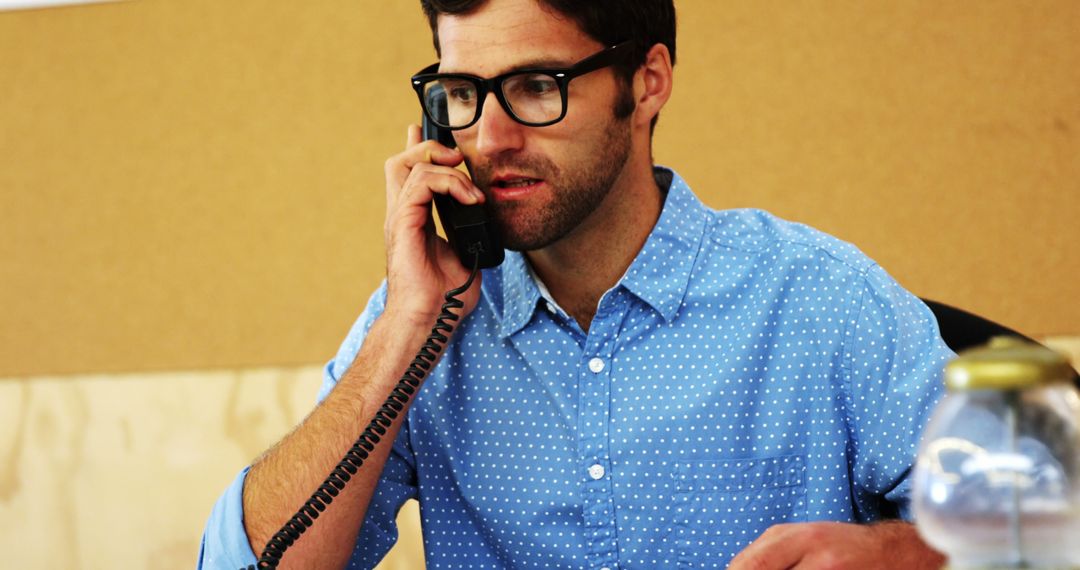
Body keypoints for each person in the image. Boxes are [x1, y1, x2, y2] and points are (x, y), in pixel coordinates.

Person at [200, 0, 953, 568]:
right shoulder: (422, 320)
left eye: (535, 86)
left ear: (648, 82)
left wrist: (904, 554)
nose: (489, 138)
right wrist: (404, 328)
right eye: (462, 93)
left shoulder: (819, 300)